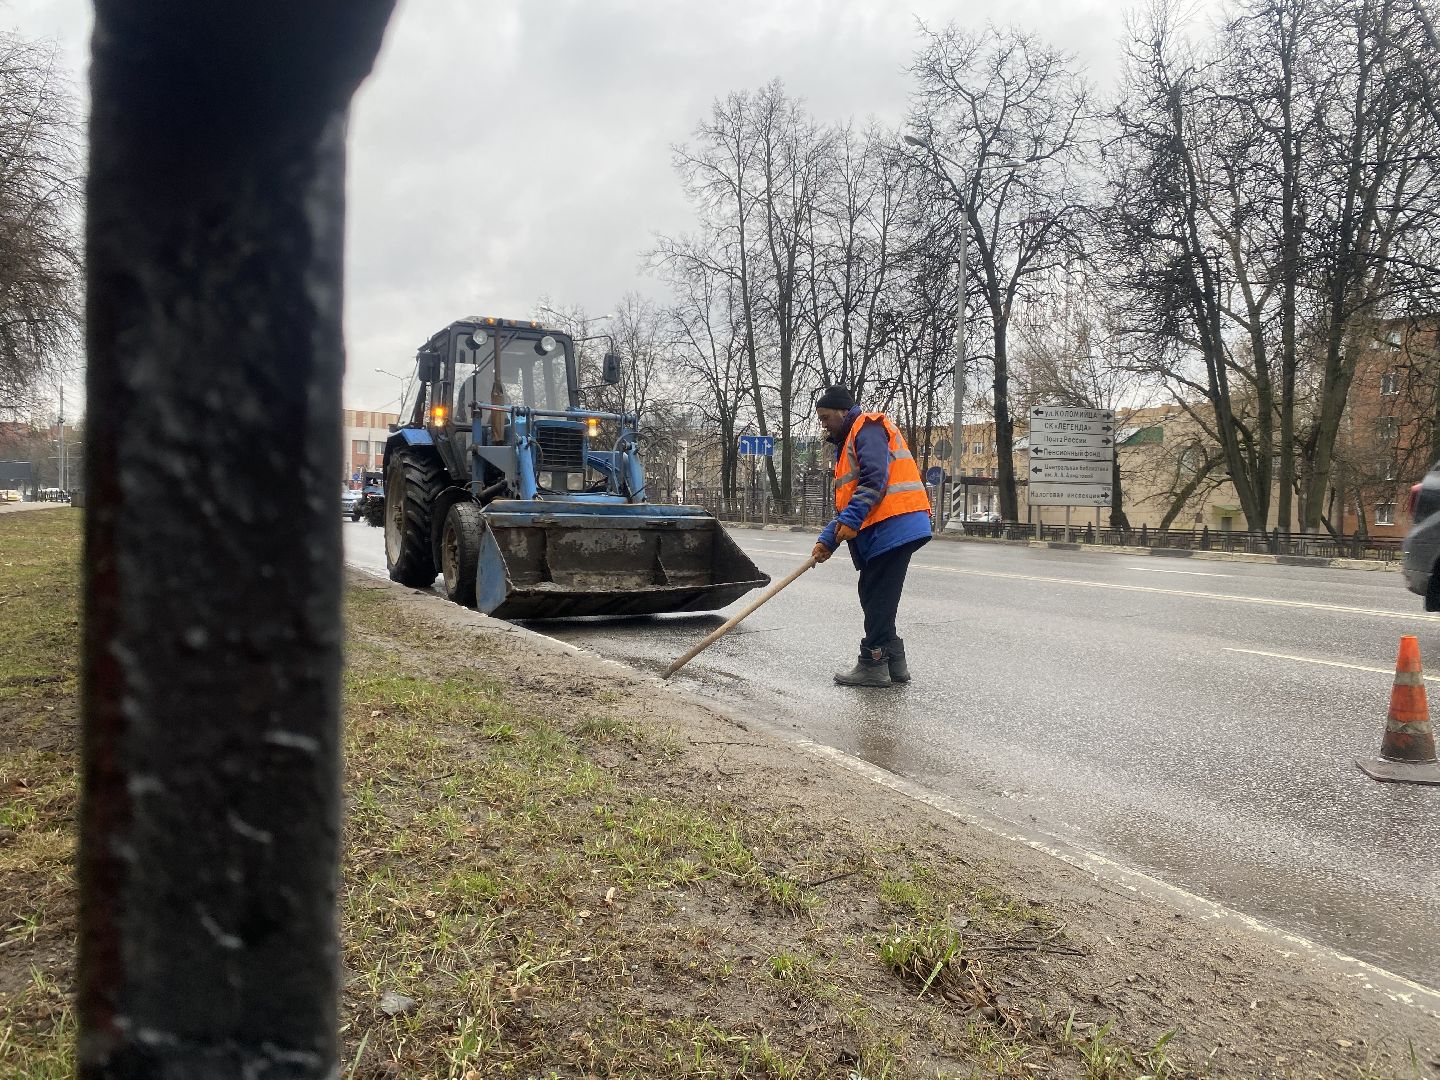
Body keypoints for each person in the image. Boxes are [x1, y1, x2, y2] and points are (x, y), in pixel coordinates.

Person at [811, 385, 932, 687]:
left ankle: (873, 663)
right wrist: (828, 540)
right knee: (876, 595)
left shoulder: (868, 427)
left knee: (877, 597)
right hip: (888, 527)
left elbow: (875, 478)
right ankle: (894, 663)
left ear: (842, 412)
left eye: (826, 417)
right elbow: (849, 502)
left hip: (894, 525)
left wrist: (850, 520)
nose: (823, 423)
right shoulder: (850, 442)